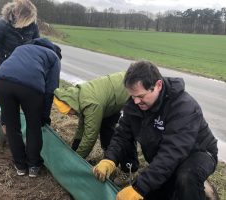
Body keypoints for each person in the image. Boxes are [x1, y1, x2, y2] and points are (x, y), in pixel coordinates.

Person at [92, 61, 218, 200]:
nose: (136, 101)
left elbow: (172, 152)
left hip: (198, 153)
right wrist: (110, 159)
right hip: (165, 157)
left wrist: (139, 187)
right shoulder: (135, 105)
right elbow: (122, 135)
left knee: (186, 177)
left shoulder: (183, 106)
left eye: (140, 96)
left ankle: (199, 189)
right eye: (133, 96)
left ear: (158, 85)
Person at [0, 38, 61, 177]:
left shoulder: (22, 48)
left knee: (12, 126)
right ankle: (33, 166)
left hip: (1, 82)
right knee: (33, 126)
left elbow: (11, 72)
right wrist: (44, 117)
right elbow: (50, 91)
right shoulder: (54, 57)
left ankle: (20, 166)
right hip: (31, 87)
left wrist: (5, 120)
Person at [53, 72, 133, 162]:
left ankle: (127, 164)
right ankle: (110, 155)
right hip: (112, 97)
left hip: (128, 88)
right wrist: (75, 146)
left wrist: (76, 160)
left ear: (71, 105)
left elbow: (90, 136)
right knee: (106, 127)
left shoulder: (91, 104)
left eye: (68, 111)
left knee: (127, 131)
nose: (69, 115)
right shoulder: (78, 96)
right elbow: (82, 126)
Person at [0, 0, 39, 67]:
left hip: (25, 65)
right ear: (20, 15)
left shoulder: (33, 25)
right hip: (5, 65)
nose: (28, 22)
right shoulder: (3, 23)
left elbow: (37, 44)